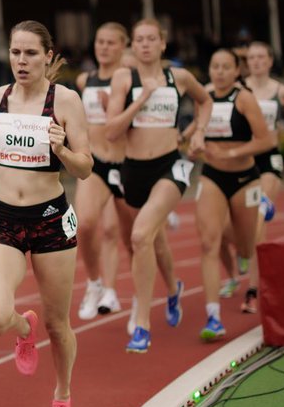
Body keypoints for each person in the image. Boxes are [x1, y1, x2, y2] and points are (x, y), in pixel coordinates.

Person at [0, 21, 92, 407]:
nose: (21, 61)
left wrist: (62, 149)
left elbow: (85, 168)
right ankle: (22, 330)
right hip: (2, 219)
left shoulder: (65, 101)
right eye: (15, 53)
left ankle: (63, 399)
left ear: (48, 57)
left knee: (58, 322)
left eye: (30, 53)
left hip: (51, 220)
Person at [105, 18, 212, 353]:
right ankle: (173, 289)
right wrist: (141, 100)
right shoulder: (124, 78)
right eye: (140, 40)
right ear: (132, 46)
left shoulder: (177, 77)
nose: (146, 45)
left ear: (162, 44)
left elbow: (205, 101)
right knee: (155, 240)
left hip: (170, 166)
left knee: (140, 236)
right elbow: (111, 130)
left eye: (152, 39)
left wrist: (198, 131)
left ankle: (141, 324)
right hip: (134, 169)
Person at [187, 49, 273, 342]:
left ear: (237, 71)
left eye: (226, 67)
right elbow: (195, 128)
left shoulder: (243, 98)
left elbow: (266, 139)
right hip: (212, 175)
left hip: (244, 178)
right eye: (215, 66)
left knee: (248, 248)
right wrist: (191, 141)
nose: (220, 71)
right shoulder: (205, 97)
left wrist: (233, 151)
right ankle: (213, 315)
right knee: (209, 241)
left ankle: (259, 213)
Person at [242, 40, 284, 313]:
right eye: (251, 58)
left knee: (258, 219)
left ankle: (254, 290)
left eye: (260, 57)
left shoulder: (282, 91)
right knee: (237, 228)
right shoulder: (239, 88)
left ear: (269, 61)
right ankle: (242, 250)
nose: (256, 62)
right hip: (243, 160)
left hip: (269, 160)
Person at [75, 22, 130, 318]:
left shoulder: (129, 81)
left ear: (123, 46)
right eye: (100, 41)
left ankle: (114, 290)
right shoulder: (86, 80)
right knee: (85, 223)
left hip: (125, 165)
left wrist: (117, 112)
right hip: (95, 163)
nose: (104, 47)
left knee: (120, 232)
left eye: (111, 43)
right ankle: (95, 283)